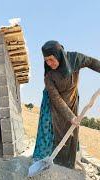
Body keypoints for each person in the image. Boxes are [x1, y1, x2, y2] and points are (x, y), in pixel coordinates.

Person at [35, 40, 100, 169]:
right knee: (59, 131)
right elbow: (56, 98)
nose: (49, 63)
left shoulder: (75, 59)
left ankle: (70, 162)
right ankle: (58, 163)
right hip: (55, 104)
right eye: (46, 60)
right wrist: (70, 116)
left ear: (59, 55)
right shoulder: (49, 75)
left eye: (51, 59)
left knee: (73, 131)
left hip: (72, 98)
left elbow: (92, 62)